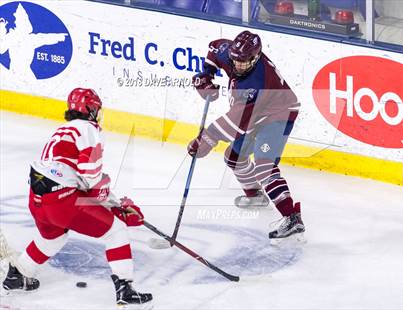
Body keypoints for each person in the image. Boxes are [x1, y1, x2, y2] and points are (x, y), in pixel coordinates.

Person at [1, 88, 153, 307]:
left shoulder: (63, 129)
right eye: (97, 110)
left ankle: (19, 274)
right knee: (116, 230)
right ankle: (125, 289)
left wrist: (113, 203)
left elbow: (80, 181)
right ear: (90, 110)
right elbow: (91, 179)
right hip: (62, 201)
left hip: (37, 199)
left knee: (53, 237)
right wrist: (117, 207)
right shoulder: (89, 130)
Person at [188, 30, 305, 242]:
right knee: (233, 158)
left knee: (264, 166)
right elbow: (214, 47)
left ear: (256, 57)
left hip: (278, 114)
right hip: (255, 114)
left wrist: (207, 138)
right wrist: (207, 74)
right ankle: (256, 196)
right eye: (235, 61)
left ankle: (292, 218)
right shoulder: (231, 53)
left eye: (244, 62)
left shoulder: (256, 84)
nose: (238, 66)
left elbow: (237, 122)